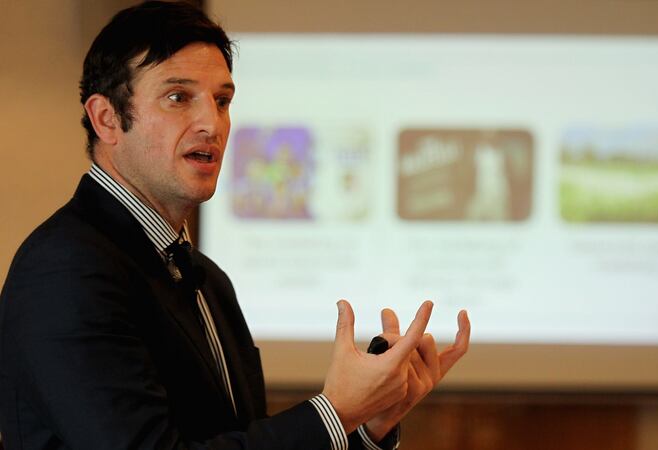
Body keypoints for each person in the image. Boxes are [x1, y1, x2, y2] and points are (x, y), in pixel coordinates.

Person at [0, 2, 470, 449]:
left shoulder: (209, 280)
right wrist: (336, 411)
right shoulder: (66, 268)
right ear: (106, 119)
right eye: (178, 97)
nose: (213, 123)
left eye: (222, 100)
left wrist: (368, 425)